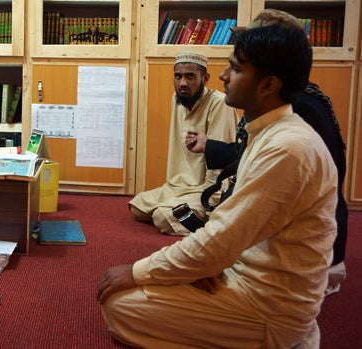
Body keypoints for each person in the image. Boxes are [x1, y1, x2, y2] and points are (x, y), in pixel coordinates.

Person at [97, 25, 336, 348]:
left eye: (235, 68)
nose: (224, 75)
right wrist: (211, 264)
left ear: (268, 84)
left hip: (268, 306)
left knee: (120, 305)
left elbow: (223, 234)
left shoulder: (287, 148)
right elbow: (233, 231)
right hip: (242, 272)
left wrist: (138, 271)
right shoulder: (270, 132)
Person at [185, 9, 348, 295]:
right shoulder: (285, 103)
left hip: (288, 259)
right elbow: (248, 157)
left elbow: (271, 201)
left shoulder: (300, 110)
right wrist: (208, 146)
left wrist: (216, 256)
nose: (227, 72)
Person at [128, 51, 239, 235]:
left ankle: (213, 225)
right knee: (137, 206)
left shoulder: (219, 104)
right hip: (177, 187)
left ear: (205, 78)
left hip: (206, 189)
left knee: (162, 217)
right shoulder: (178, 99)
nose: (183, 83)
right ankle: (176, 207)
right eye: (178, 77)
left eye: (190, 77)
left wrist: (212, 201)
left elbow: (222, 160)